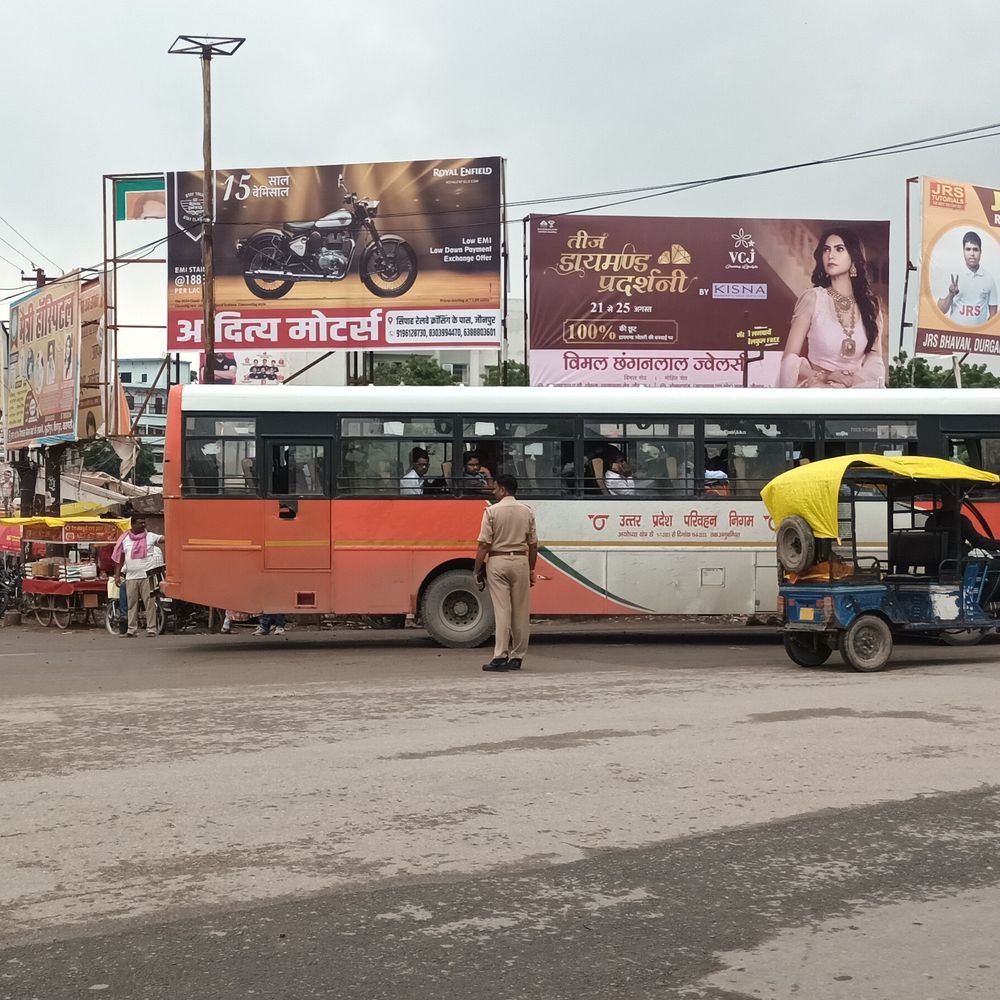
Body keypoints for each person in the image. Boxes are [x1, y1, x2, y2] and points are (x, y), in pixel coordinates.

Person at [778, 229, 886, 388]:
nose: (831, 255)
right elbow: (789, 360)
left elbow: (875, 359)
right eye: (826, 249)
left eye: (839, 249)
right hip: (819, 387)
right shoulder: (813, 299)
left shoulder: (871, 306)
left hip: (855, 388)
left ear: (854, 258)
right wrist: (825, 376)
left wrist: (852, 382)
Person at [473, 474, 538, 672]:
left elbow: (484, 545)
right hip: (520, 561)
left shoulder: (491, 511)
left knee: (503, 611)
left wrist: (477, 570)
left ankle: (500, 656)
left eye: (495, 489)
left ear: (502, 489)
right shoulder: (527, 511)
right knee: (520, 611)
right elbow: (533, 544)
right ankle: (517, 657)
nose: (493, 492)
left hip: (498, 561)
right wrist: (531, 569)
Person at [112, 514, 164, 637]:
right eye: (140, 523)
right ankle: (131, 630)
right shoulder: (124, 539)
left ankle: (151, 629)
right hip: (131, 577)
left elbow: (163, 538)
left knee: (150, 603)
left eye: (144, 522)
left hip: (147, 576)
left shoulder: (150, 536)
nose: (143, 525)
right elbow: (120, 559)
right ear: (133, 524)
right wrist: (117, 575)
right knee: (131, 605)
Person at [937, 231, 998, 326]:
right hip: (956, 335)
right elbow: (941, 310)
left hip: (978, 337)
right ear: (963, 250)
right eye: (968, 249)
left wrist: (983, 333)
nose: (972, 253)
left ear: (981, 251)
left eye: (975, 249)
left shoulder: (989, 279)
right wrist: (951, 295)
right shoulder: (953, 276)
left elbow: (993, 315)